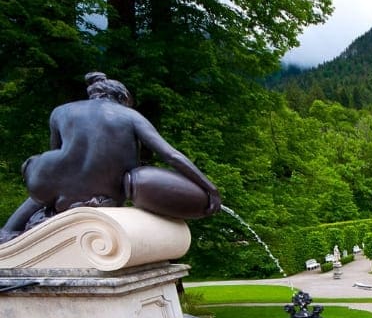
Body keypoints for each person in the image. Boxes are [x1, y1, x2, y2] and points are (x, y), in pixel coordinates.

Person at [1, 72, 220, 243]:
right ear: (122, 97)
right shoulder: (130, 116)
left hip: (54, 186)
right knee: (133, 179)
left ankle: (8, 231)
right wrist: (209, 187)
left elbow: (58, 155)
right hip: (109, 192)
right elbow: (171, 155)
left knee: (42, 189)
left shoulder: (61, 111)